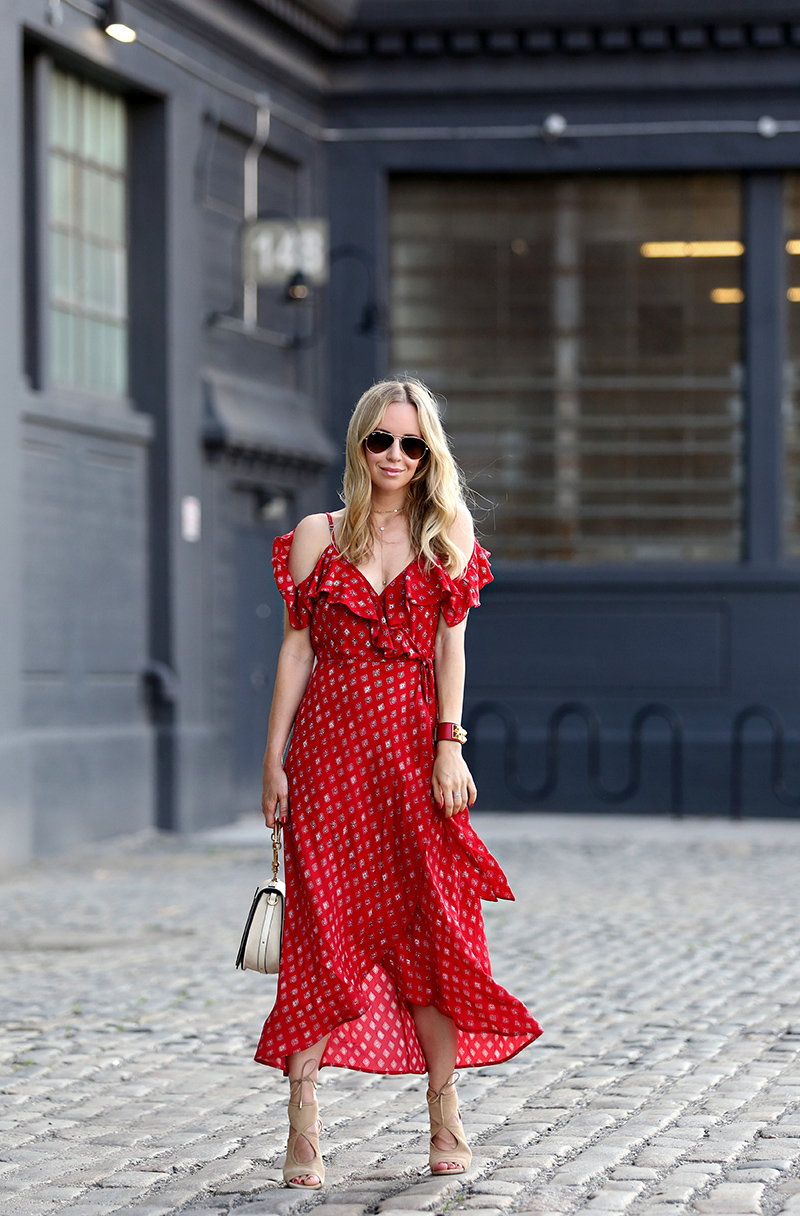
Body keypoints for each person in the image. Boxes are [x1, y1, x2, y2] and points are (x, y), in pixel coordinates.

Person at [257, 378, 542, 1189]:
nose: (394, 455)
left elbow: (452, 649)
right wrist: (272, 759)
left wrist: (451, 746)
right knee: (323, 932)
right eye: (381, 440)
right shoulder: (317, 536)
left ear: (429, 453)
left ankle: (445, 1114)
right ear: (359, 445)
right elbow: (296, 652)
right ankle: (303, 1129)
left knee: (433, 930)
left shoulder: (447, 529)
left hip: (415, 753)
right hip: (330, 758)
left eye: (411, 444)